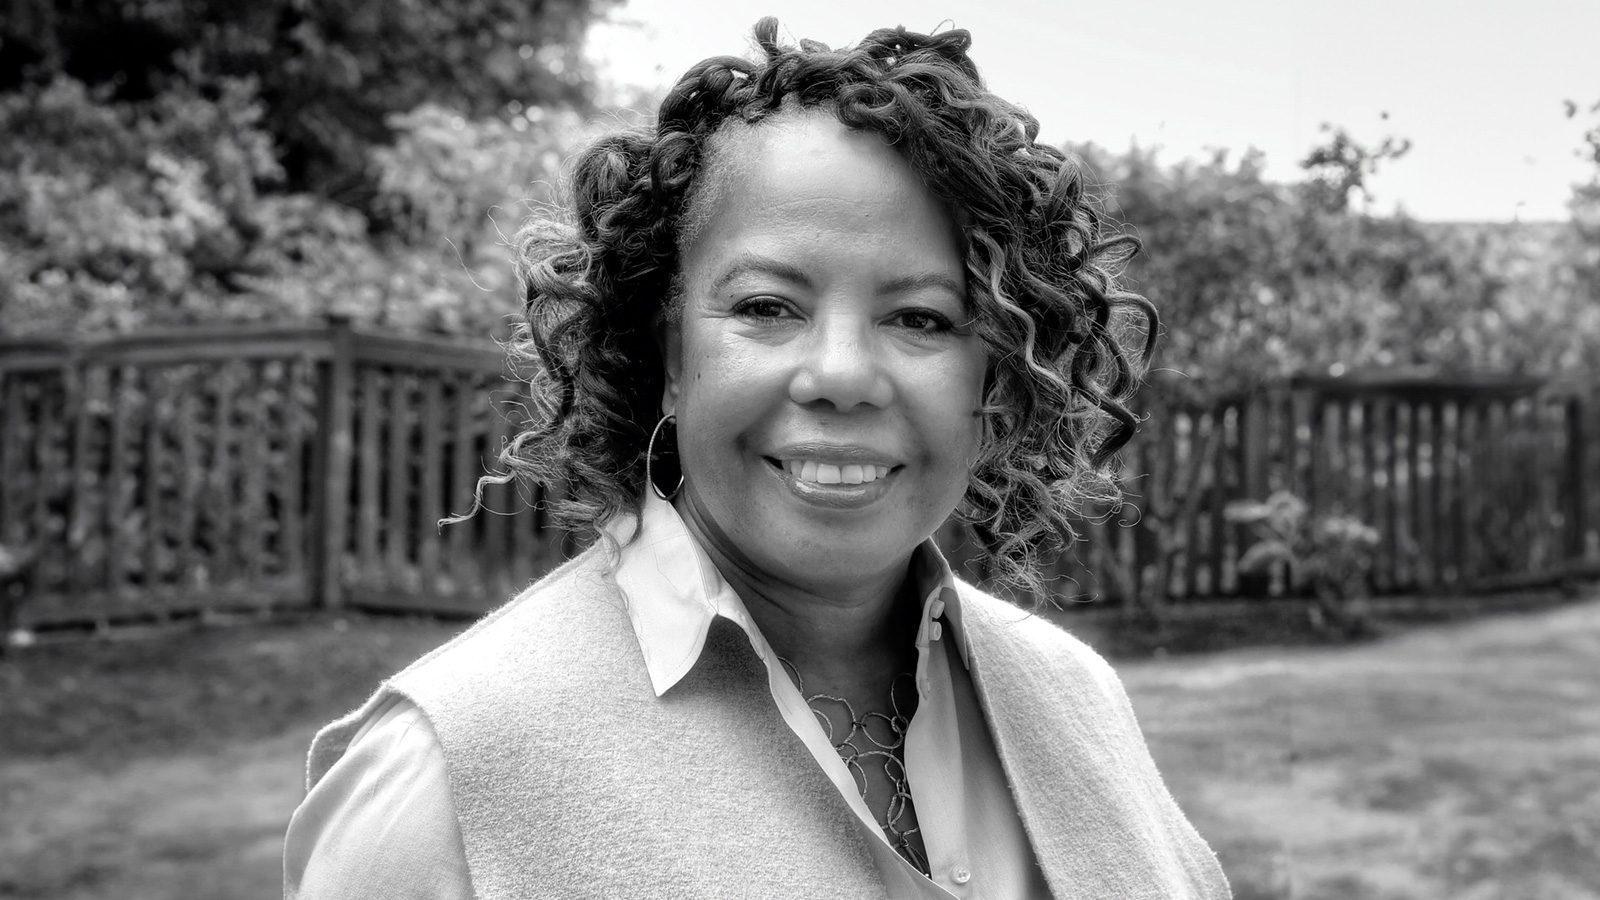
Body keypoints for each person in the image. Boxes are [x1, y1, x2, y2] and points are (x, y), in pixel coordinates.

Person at [284, 18, 1231, 900]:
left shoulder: (1080, 704)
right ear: (666, 357)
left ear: (995, 378)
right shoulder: (448, 779)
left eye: (922, 318)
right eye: (768, 307)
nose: (843, 376)